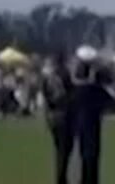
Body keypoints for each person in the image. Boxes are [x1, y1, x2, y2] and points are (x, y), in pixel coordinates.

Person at [70, 56, 115, 184]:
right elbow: (112, 100)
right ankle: (91, 179)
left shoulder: (78, 90)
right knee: (92, 154)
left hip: (79, 123)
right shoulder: (96, 90)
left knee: (83, 153)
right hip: (92, 123)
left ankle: (84, 178)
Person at [42, 54, 75, 184]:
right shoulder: (65, 74)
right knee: (65, 150)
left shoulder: (47, 77)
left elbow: (45, 95)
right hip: (64, 115)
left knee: (59, 149)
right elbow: (71, 94)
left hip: (52, 116)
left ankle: (62, 177)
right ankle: (61, 179)